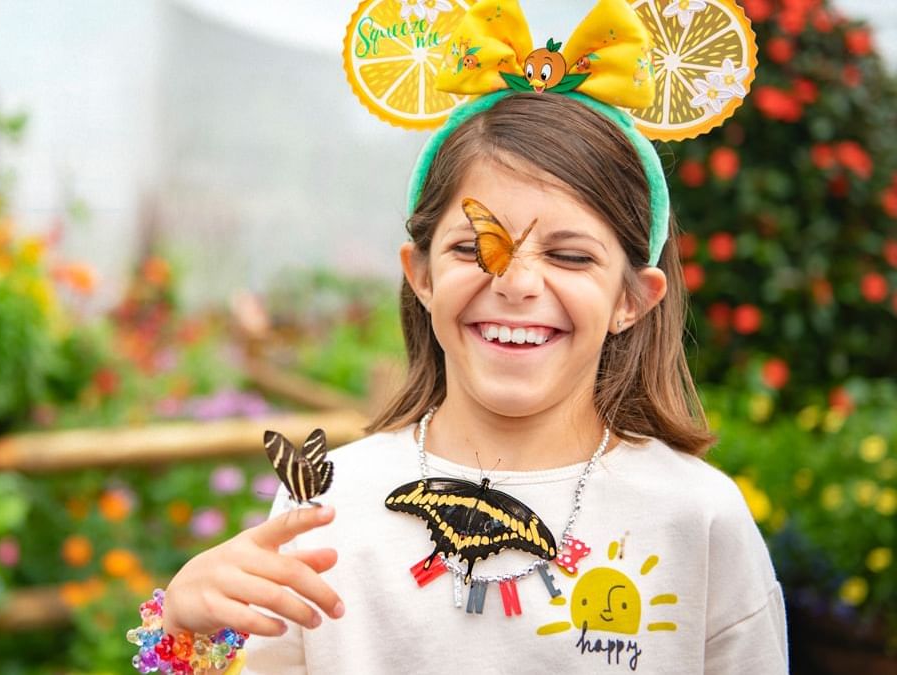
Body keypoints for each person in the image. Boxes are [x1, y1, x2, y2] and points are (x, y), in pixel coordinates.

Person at [131, 1, 787, 673]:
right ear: (420, 275)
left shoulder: (698, 518)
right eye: (478, 247)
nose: (518, 283)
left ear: (632, 298)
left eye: (570, 256)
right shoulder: (326, 505)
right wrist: (185, 634)